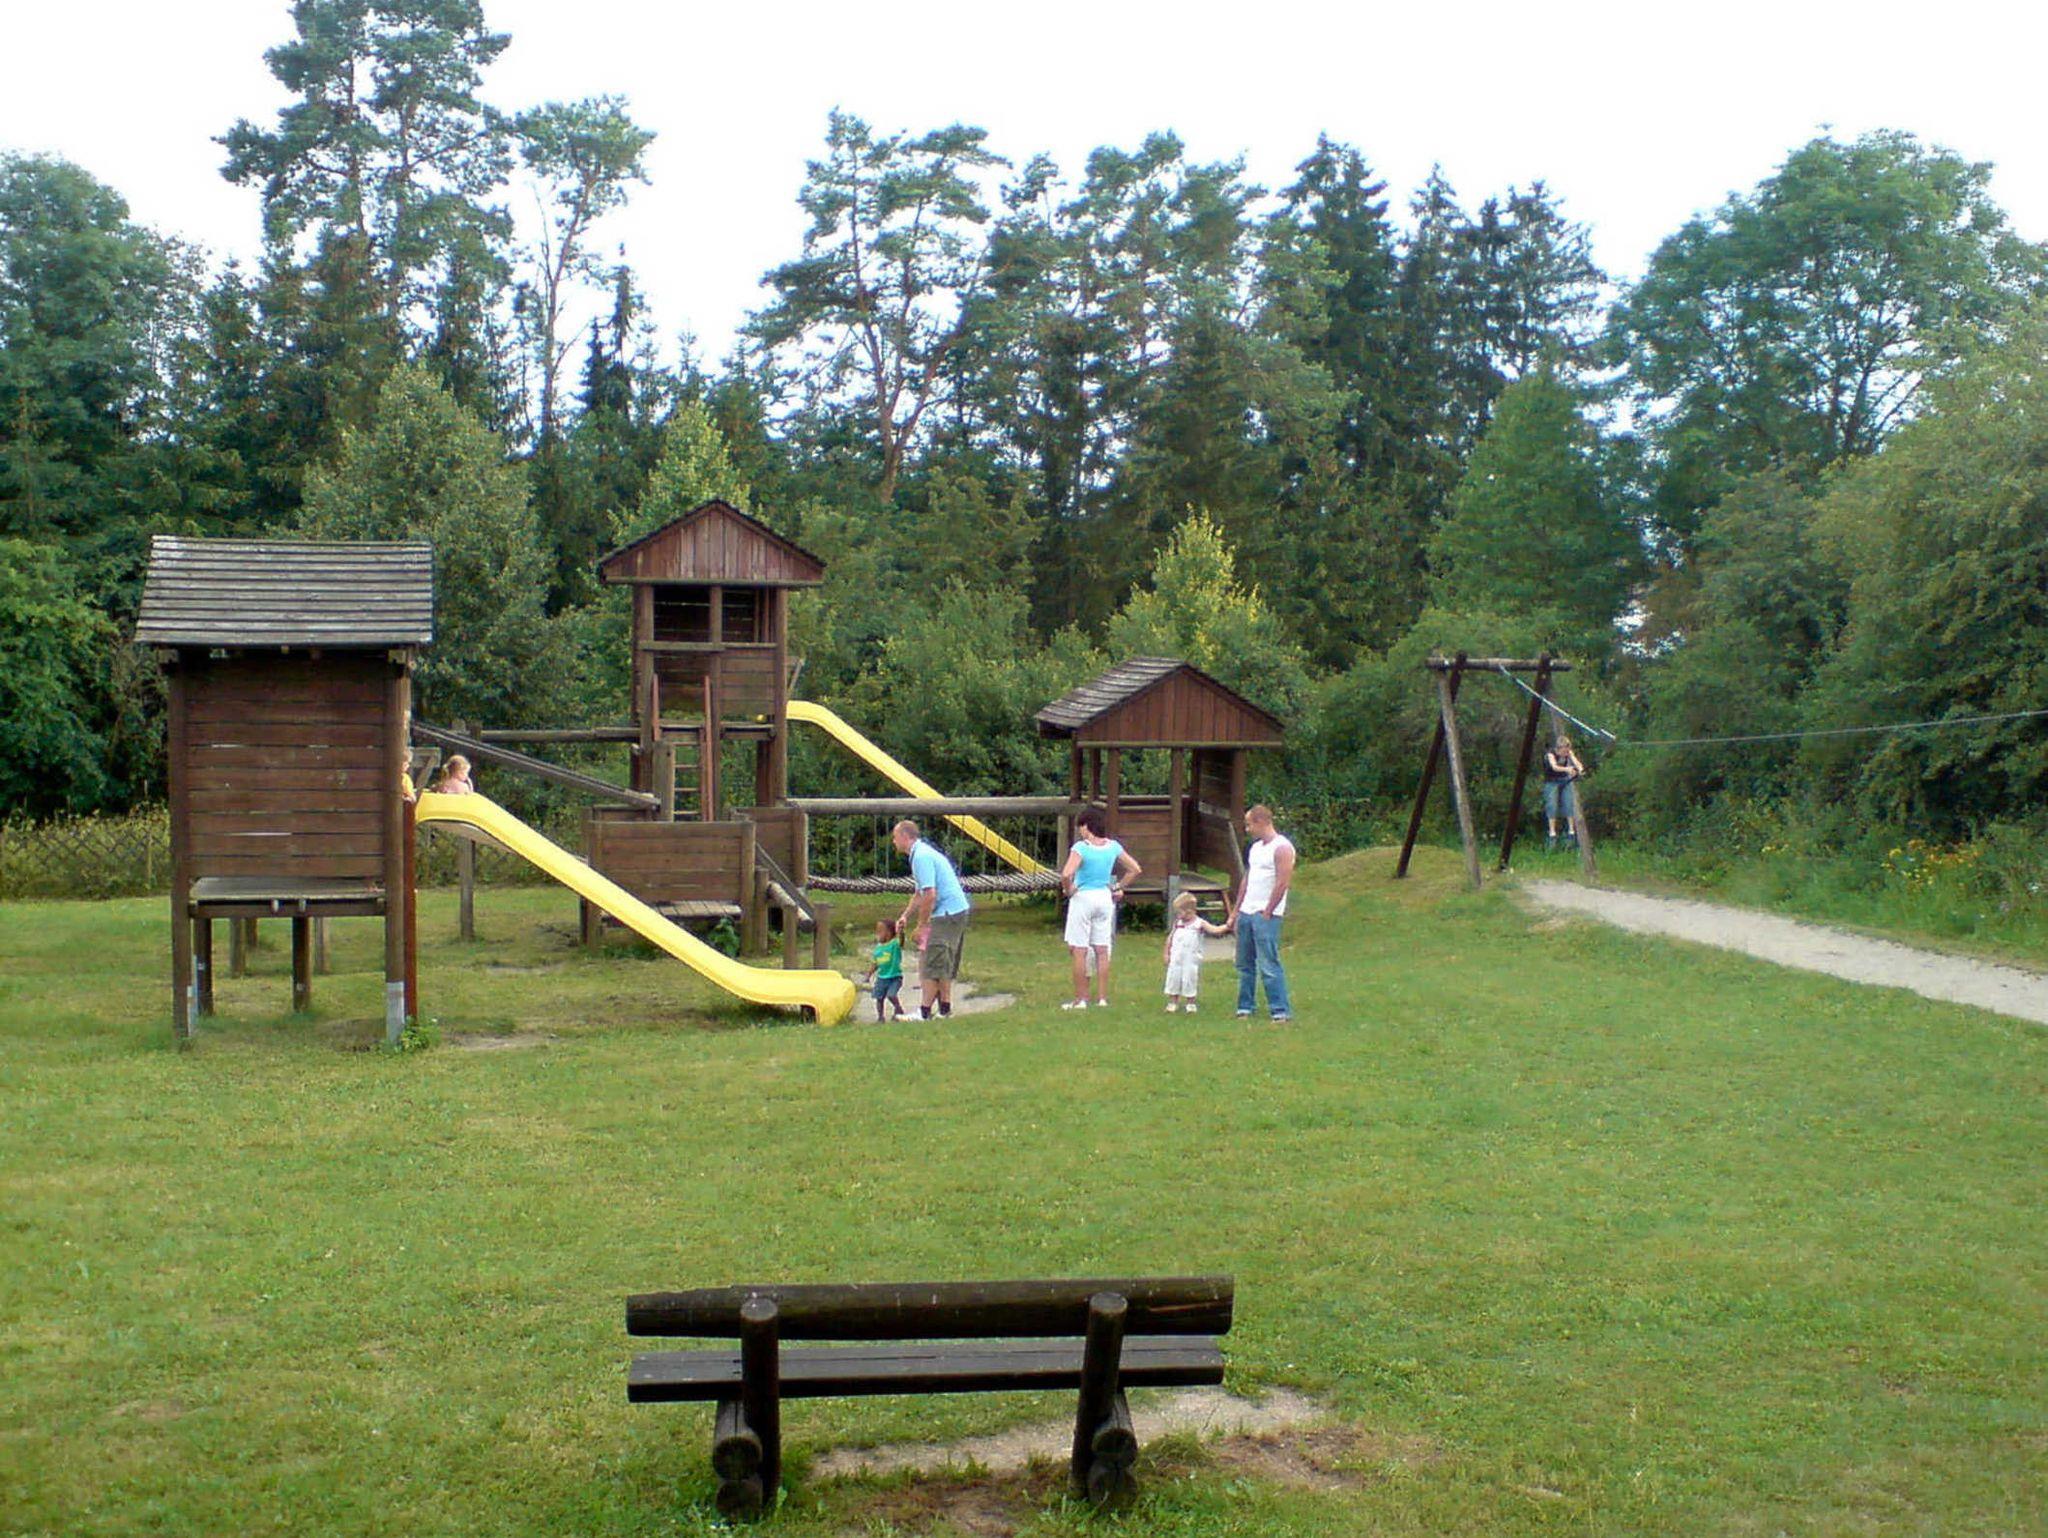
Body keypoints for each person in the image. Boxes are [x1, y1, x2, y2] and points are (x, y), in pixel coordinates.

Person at [1058, 806, 1142, 1009]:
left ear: (1086, 826)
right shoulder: (1112, 846)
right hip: (1104, 898)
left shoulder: (1081, 847)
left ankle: (1081, 999)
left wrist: (1069, 890)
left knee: (1079, 949)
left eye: (1081, 827)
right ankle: (1102, 998)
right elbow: (1135, 869)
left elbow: (1066, 874)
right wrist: (1118, 887)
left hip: (1083, 898)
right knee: (1102, 949)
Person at [892, 820, 970, 1019]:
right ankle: (944, 1009)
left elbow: (930, 894)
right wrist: (905, 916)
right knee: (942, 962)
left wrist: (921, 926)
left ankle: (924, 1012)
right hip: (955, 910)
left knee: (931, 962)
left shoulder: (921, 857)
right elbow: (919, 893)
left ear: (905, 837)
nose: (893, 841)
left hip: (947, 913)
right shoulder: (920, 854)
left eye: (895, 837)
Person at [1232, 804, 1295, 1023]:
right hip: (1247, 911)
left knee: (1268, 963)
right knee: (1244, 963)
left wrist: (1268, 911)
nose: (1247, 829)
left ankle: (1280, 1010)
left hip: (1265, 914)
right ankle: (1245, 1006)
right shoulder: (1256, 848)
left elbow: (1282, 882)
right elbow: (1247, 879)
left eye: (1249, 824)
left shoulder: (1282, 848)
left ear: (1261, 822)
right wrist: (1236, 910)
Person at [1163, 891, 1226, 1013]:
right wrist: (1167, 953)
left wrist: (1226, 926)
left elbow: (1214, 930)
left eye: (1179, 912)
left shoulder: (1199, 923)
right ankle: (1173, 1002)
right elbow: (1170, 938)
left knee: (1189, 979)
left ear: (1189, 911)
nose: (1178, 915)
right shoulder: (1178, 924)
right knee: (1173, 978)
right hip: (1176, 958)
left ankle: (1190, 1003)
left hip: (1190, 959)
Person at [1543, 735, 1584, 850]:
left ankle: (1571, 832)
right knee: (1552, 805)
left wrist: (1580, 770)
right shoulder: (1551, 754)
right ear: (1559, 748)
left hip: (1565, 780)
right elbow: (1555, 767)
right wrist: (1568, 769)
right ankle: (1552, 834)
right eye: (1564, 751)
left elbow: (1577, 763)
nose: (1566, 753)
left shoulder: (1569, 753)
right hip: (1551, 782)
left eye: (1567, 750)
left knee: (1568, 803)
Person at [863, 919, 906, 1023]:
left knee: (891, 995)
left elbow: (901, 941)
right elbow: (875, 963)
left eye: (880, 931)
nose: (877, 934)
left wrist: (901, 932)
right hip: (881, 978)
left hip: (894, 977)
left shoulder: (894, 944)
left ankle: (898, 1008)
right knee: (879, 998)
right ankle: (880, 1017)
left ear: (889, 933)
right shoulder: (878, 948)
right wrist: (868, 975)